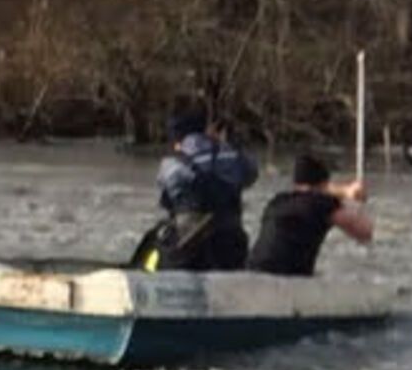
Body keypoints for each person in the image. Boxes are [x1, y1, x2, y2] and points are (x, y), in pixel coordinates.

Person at [132, 109, 259, 272]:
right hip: (232, 242)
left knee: (154, 243)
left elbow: (166, 199)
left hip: (188, 246)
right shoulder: (232, 156)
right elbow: (251, 175)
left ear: (177, 138)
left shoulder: (171, 164)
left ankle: (141, 274)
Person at [247, 154, 375, 276]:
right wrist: (354, 201)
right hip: (288, 276)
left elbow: (314, 193)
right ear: (324, 182)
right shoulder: (322, 204)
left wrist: (343, 192)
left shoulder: (276, 202)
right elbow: (365, 232)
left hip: (252, 268)